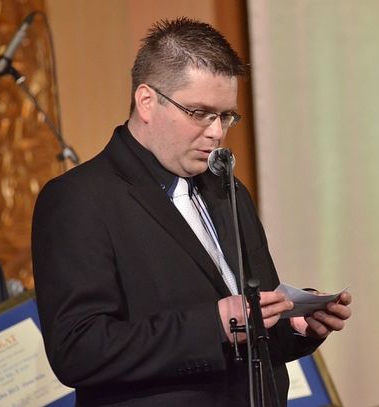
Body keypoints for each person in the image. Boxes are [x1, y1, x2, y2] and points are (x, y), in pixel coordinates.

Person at [32, 18, 351, 407]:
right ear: (146, 101)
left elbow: (252, 331)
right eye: (200, 112)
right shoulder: (79, 198)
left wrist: (295, 325)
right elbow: (77, 349)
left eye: (226, 116)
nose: (216, 132)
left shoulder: (228, 189)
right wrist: (215, 324)